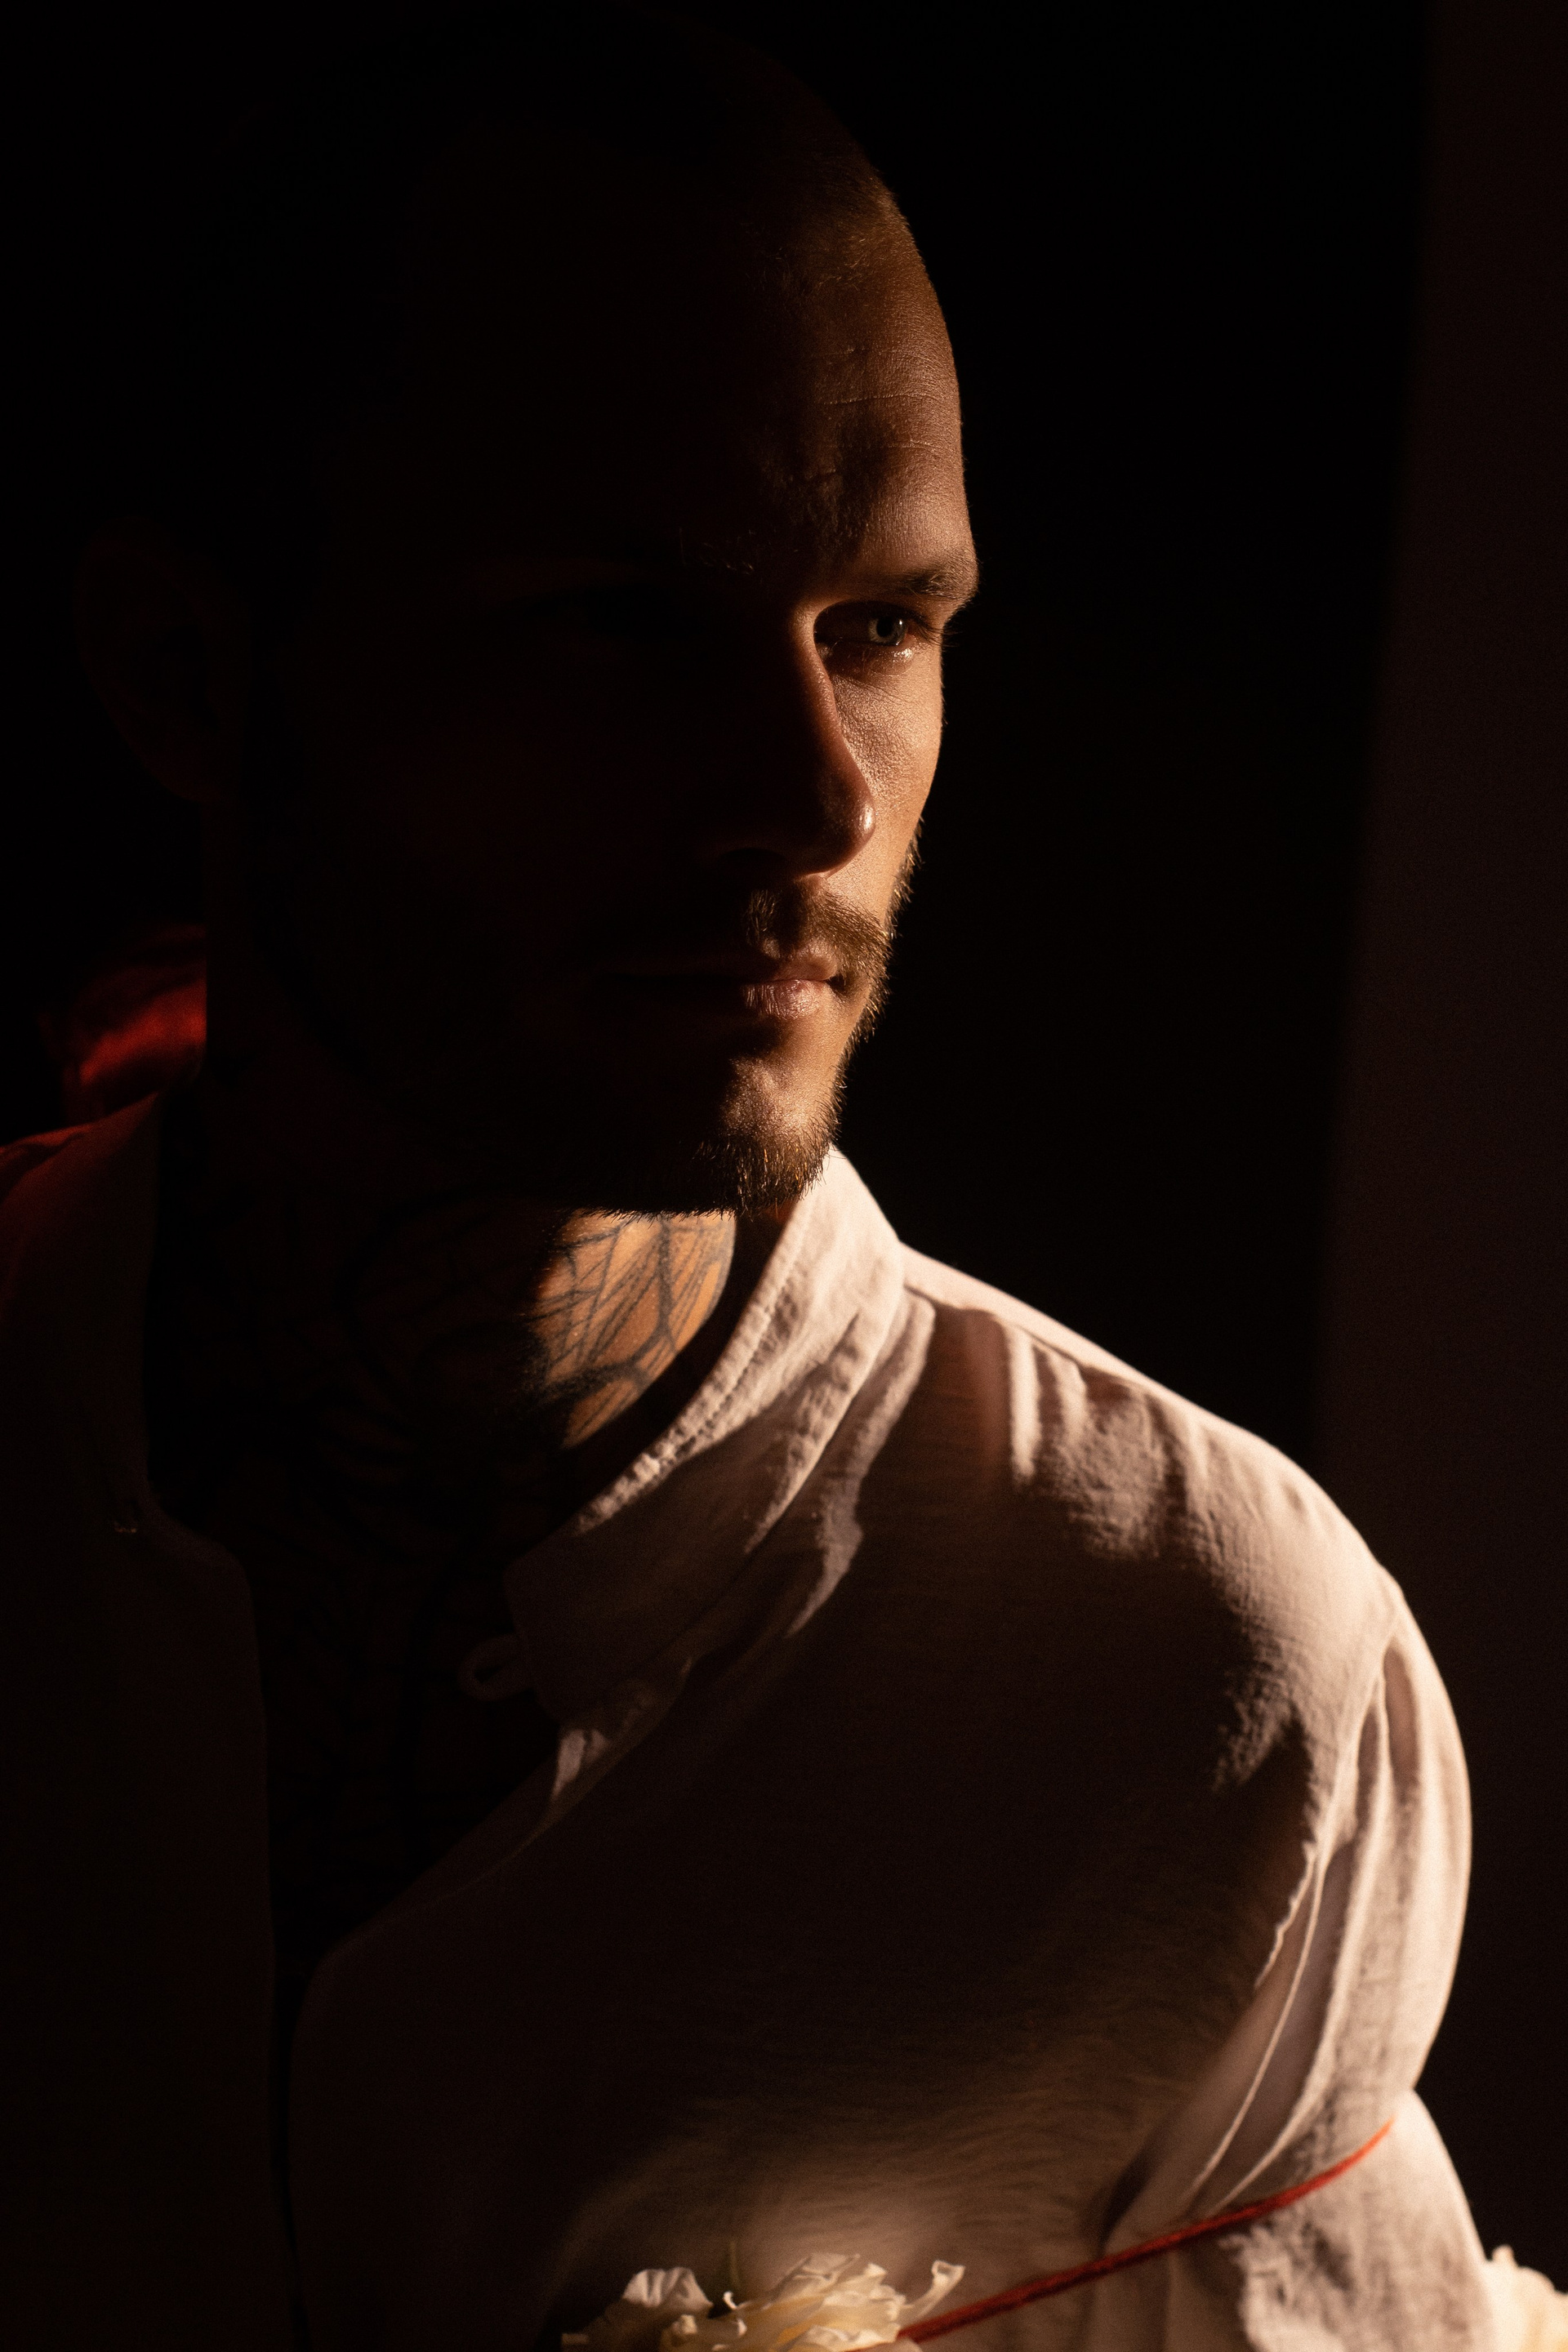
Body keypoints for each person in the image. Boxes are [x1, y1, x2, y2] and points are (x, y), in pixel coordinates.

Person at [0, 7, 1512, 2347]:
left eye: (880, 628)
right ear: (185, 676)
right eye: (621, 626)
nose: (815, 796)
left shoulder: (1197, 1691)